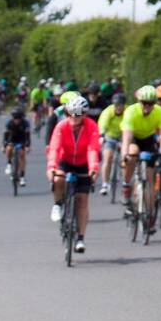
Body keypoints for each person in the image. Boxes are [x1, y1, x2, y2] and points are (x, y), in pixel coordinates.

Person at [47, 94, 100, 253]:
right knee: (58, 180)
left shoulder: (91, 126)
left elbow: (92, 149)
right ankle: (57, 204)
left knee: (82, 200)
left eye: (79, 114)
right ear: (67, 114)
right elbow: (54, 148)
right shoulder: (61, 126)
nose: (74, 118)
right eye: (71, 114)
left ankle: (80, 238)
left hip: (83, 163)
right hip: (66, 160)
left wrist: (93, 169)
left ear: (85, 114)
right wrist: (51, 167)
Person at [119, 84, 161, 208]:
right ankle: (126, 184)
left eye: (150, 104)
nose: (147, 107)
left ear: (155, 103)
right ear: (139, 101)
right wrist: (124, 157)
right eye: (144, 103)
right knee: (132, 153)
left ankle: (149, 217)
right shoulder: (131, 111)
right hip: (133, 137)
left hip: (148, 139)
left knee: (149, 178)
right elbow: (126, 139)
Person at [96, 91, 126, 195]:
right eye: (116, 105)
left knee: (125, 158)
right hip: (110, 136)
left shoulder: (127, 111)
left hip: (123, 137)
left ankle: (126, 181)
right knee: (107, 158)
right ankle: (105, 184)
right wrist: (102, 136)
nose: (118, 107)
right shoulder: (108, 111)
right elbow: (102, 124)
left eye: (120, 105)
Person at [3, 105, 31, 184]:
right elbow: (5, 136)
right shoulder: (9, 123)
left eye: (18, 118)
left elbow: (28, 136)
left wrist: (28, 146)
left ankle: (22, 177)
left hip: (22, 140)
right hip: (12, 139)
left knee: (22, 155)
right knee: (9, 149)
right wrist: (4, 146)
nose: (16, 120)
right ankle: (9, 164)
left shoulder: (25, 123)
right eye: (15, 118)